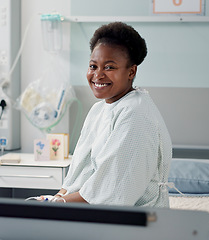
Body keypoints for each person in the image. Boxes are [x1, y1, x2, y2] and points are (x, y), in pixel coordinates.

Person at [52, 22, 172, 207]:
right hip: (91, 210)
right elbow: (78, 173)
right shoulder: (98, 110)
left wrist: (54, 204)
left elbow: (111, 192)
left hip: (136, 221)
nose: (98, 75)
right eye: (93, 66)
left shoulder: (135, 114)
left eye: (109, 67)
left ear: (131, 71)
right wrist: (56, 198)